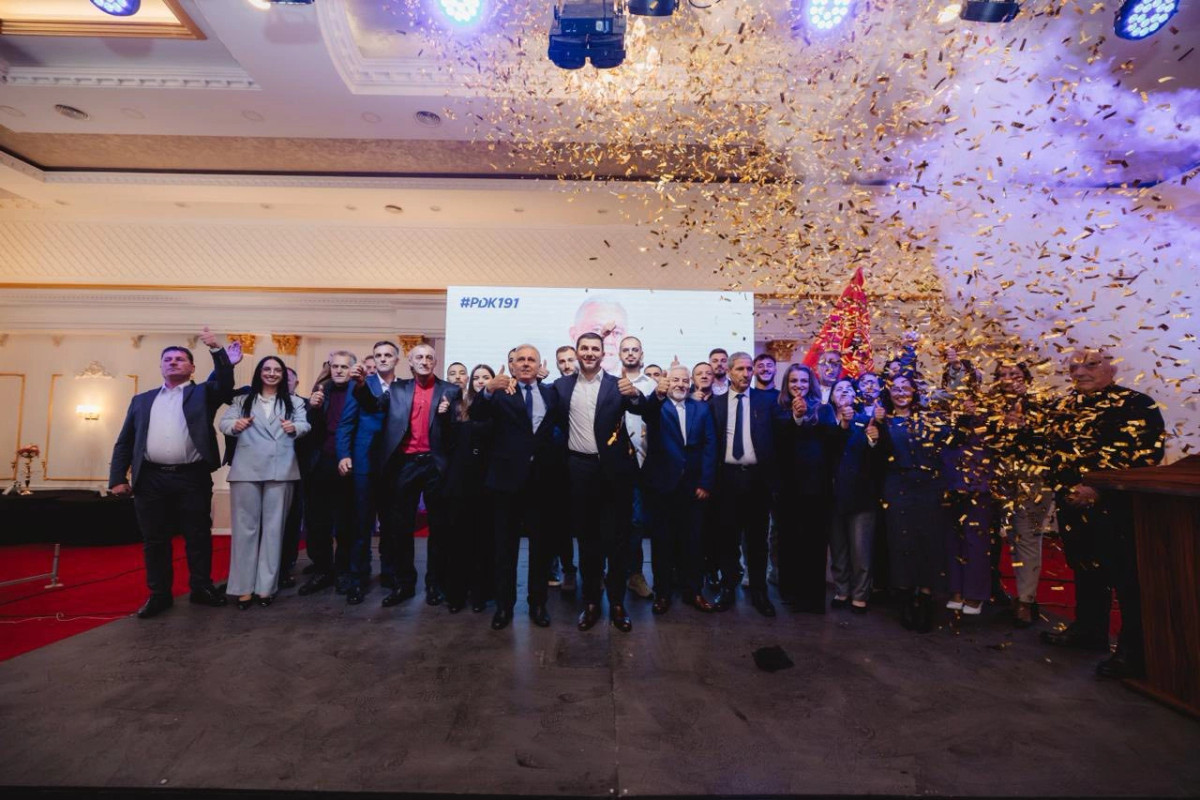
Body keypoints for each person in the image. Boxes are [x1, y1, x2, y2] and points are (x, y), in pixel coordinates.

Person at [1041, 348, 1164, 679]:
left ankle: (1132, 651)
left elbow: (1145, 454)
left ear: (1112, 368)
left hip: (1117, 508)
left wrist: (1099, 489)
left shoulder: (1136, 404)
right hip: (1072, 505)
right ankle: (1089, 630)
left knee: (1125, 577)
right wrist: (1064, 488)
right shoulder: (1063, 407)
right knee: (1084, 567)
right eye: (1074, 367)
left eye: (1091, 365)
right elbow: (1050, 453)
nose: (1081, 372)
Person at [109, 326, 234, 619]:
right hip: (150, 479)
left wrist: (217, 350)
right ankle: (159, 594)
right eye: (168, 359)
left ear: (192, 368)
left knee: (197, 535)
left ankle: (201, 588)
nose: (173, 362)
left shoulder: (202, 394)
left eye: (180, 359)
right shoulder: (142, 400)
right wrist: (117, 478)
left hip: (191, 477)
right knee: (155, 539)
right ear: (161, 366)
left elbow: (225, 384)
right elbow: (125, 441)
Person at [350, 342, 460, 608]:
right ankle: (405, 584)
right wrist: (361, 385)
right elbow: (373, 406)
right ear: (410, 362)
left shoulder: (450, 390)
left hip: (435, 465)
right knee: (400, 528)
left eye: (429, 357)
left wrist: (447, 416)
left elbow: (457, 431)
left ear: (435, 362)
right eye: (419, 357)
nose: (424, 361)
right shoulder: (397, 389)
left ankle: (435, 585)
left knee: (439, 529)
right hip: (405, 464)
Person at [554, 332, 646, 632]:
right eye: (585, 348)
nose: (590, 353)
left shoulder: (617, 384)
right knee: (587, 542)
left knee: (617, 541)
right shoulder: (561, 386)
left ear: (603, 353)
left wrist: (635, 394)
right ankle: (591, 602)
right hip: (578, 470)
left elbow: (644, 410)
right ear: (577, 351)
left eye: (595, 348)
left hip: (614, 473)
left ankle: (617, 603)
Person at [474, 346, 561, 629]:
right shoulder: (500, 393)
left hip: (542, 482)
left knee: (541, 549)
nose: (525, 363)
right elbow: (476, 413)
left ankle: (538, 604)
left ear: (539, 365)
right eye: (520, 359)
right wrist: (488, 390)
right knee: (505, 548)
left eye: (530, 359)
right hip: (506, 482)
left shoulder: (551, 393)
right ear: (511, 366)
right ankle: (504, 607)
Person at [219, 356, 310, 609]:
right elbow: (224, 423)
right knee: (244, 531)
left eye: (277, 370)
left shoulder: (294, 402)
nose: (272, 373)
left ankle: (265, 588)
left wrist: (295, 428)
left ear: (283, 375)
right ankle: (243, 589)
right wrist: (235, 425)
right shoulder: (242, 400)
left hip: (281, 469)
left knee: (273, 530)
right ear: (259, 372)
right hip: (246, 470)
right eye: (267, 369)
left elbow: (304, 424)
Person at [867, 372, 950, 633]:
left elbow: (950, 442)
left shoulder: (931, 418)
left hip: (929, 488)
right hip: (898, 487)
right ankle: (904, 598)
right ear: (889, 393)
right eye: (896, 388)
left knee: (929, 542)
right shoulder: (884, 421)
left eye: (906, 387)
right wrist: (877, 430)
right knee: (900, 542)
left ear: (915, 391)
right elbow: (878, 456)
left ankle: (925, 598)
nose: (901, 392)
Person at [642, 364, 718, 614]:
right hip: (662, 487)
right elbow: (647, 411)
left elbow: (710, 446)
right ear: (666, 381)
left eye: (685, 380)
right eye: (675, 380)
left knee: (693, 543)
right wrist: (657, 395)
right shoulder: (657, 407)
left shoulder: (702, 408)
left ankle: (694, 592)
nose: (681, 384)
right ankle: (662, 594)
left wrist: (705, 482)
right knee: (662, 544)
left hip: (693, 488)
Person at [708, 352, 776, 616]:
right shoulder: (715, 403)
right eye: (740, 369)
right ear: (729, 372)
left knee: (758, 539)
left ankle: (759, 591)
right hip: (726, 479)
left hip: (757, 479)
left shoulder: (766, 401)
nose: (746, 373)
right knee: (727, 537)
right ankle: (728, 587)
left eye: (749, 369)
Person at [336, 340, 399, 604]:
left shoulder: (404, 387)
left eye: (388, 355)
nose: (383, 358)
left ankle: (390, 574)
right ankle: (358, 578)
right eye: (378, 355)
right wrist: (344, 453)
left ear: (396, 360)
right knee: (361, 524)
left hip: (394, 465)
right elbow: (346, 422)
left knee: (392, 524)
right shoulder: (360, 385)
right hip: (364, 462)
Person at [990, 360, 1051, 627]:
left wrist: (1027, 421)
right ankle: (1003, 591)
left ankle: (1026, 601)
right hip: (1000, 478)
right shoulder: (991, 405)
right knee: (1008, 537)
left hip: (1033, 479)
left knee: (1028, 536)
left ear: (1024, 377)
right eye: (1002, 374)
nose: (1008, 378)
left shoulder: (1041, 402)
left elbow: (1051, 440)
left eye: (1013, 374)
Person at [771, 364, 833, 613]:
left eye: (804, 381)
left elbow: (831, 444)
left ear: (811, 384)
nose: (799, 385)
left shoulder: (824, 409)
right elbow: (778, 443)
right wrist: (796, 418)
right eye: (794, 381)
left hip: (817, 488)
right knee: (789, 542)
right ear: (787, 384)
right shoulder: (778, 409)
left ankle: (813, 597)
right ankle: (791, 593)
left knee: (814, 543)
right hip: (788, 488)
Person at [297, 350, 357, 598]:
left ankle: (343, 571)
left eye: (344, 366)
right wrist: (312, 408)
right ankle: (322, 569)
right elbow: (308, 428)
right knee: (317, 522)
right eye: (335, 366)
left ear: (352, 369)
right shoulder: (322, 391)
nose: (339, 370)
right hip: (320, 463)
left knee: (345, 523)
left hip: (348, 463)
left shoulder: (360, 391)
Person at [443, 364, 496, 613]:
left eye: (486, 377)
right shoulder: (457, 407)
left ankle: (480, 593)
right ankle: (456, 593)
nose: (481, 381)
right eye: (477, 377)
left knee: (483, 541)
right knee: (458, 540)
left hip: (487, 482)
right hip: (460, 481)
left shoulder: (499, 407)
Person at [827, 376, 879, 613]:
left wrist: (873, 441)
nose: (844, 392)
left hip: (861, 495)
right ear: (832, 396)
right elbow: (829, 451)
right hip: (833, 495)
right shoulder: (825, 419)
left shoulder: (866, 421)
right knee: (838, 549)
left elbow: (876, 457)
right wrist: (843, 426)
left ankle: (860, 594)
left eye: (849, 389)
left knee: (861, 550)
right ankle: (841, 590)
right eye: (839, 389)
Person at [618, 335, 657, 601]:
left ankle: (635, 575)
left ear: (641, 354)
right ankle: (609, 573)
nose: (631, 353)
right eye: (626, 350)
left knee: (636, 522)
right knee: (613, 521)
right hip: (614, 462)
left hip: (644, 462)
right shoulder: (611, 383)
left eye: (635, 350)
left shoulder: (652, 385)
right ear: (619, 354)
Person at [547, 345, 579, 592]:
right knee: (561, 523)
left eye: (570, 359)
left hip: (590, 463)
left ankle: (596, 572)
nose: (567, 365)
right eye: (562, 361)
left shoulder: (598, 386)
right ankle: (567, 569)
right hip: (560, 465)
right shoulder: (553, 388)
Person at [568, 296, 628, 375]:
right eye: (597, 330)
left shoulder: (633, 381)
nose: (609, 341)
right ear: (574, 335)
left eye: (617, 333)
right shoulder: (565, 381)